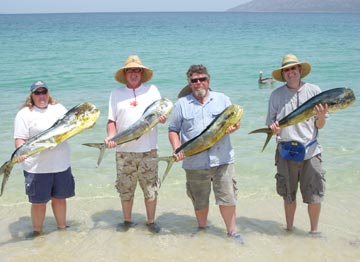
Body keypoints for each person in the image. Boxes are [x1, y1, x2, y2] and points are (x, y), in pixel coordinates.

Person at [168, 64, 241, 240]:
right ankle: (202, 230)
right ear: (189, 83)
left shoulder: (223, 99)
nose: (199, 83)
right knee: (199, 200)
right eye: (194, 80)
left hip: (222, 160)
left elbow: (235, 122)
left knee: (228, 198)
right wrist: (177, 149)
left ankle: (232, 233)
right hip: (194, 162)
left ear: (208, 80)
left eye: (202, 79)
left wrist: (235, 127)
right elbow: (173, 130)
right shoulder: (181, 104)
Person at [266, 54, 328, 235]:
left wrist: (322, 116)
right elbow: (270, 124)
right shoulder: (276, 95)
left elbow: (320, 125)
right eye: (286, 70)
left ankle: (314, 232)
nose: (290, 72)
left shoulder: (315, 90)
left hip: (311, 151)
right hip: (286, 152)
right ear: (283, 74)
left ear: (300, 70)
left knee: (315, 195)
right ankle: (289, 230)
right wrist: (274, 130)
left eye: (293, 68)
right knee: (288, 194)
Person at [104, 55, 167, 233]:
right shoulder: (116, 93)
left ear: (141, 73)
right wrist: (110, 137)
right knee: (125, 189)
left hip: (148, 150)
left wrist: (162, 119)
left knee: (151, 189)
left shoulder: (152, 90)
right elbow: (111, 121)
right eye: (130, 70)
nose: (133, 73)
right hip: (124, 151)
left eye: (137, 70)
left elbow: (160, 115)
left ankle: (151, 222)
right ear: (125, 74)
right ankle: (127, 221)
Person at [14, 80, 75, 238]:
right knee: (39, 203)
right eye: (37, 93)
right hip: (36, 167)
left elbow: (72, 125)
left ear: (48, 93)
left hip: (61, 165)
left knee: (60, 199)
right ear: (32, 95)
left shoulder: (59, 108)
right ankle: (37, 234)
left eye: (44, 92)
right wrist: (20, 152)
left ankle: (62, 230)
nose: (41, 96)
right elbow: (20, 139)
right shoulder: (24, 114)